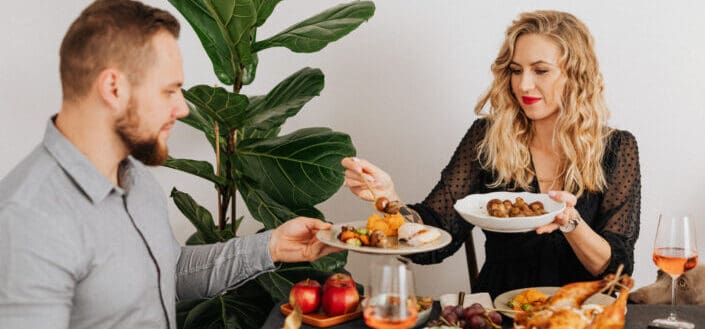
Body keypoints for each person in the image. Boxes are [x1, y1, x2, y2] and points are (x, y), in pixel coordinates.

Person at [0, 1, 340, 328]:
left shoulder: (137, 181)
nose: (182, 108)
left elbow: (167, 272)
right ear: (114, 88)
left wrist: (271, 246)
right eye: (169, 91)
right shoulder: (28, 219)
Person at [342, 10, 641, 298]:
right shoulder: (488, 139)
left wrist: (570, 222)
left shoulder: (616, 150)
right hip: (497, 313)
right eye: (515, 70)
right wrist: (390, 200)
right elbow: (436, 239)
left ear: (576, 76)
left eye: (540, 70)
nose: (523, 84)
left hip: (581, 316)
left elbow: (617, 270)